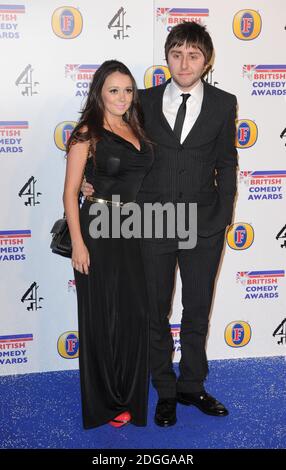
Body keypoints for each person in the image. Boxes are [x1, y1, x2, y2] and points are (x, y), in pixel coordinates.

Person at [82, 22, 238, 427]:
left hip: (204, 224)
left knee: (197, 309)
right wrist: (92, 179)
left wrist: (223, 215)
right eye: (176, 54)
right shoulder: (142, 101)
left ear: (207, 60)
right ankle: (164, 390)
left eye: (193, 55)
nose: (184, 63)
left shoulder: (224, 103)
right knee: (154, 310)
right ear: (167, 56)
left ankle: (192, 386)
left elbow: (227, 162)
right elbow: (110, 138)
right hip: (152, 222)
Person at [63, 60, 153, 429]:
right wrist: (79, 245)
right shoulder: (88, 132)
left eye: (128, 90)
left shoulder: (135, 127)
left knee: (134, 315)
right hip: (97, 230)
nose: (122, 96)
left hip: (132, 229)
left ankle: (127, 394)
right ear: (99, 92)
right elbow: (70, 193)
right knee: (102, 317)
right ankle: (106, 403)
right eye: (114, 90)